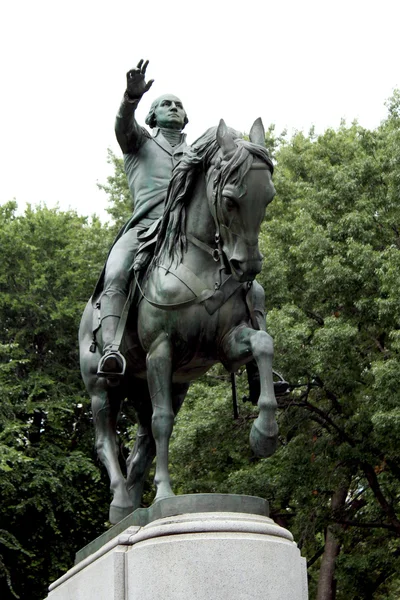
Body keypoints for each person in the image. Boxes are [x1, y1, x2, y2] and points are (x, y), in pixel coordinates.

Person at [97, 59, 189, 377]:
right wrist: (130, 98)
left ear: (185, 117)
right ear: (153, 116)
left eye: (178, 105)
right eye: (166, 104)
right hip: (146, 228)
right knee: (116, 273)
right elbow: (123, 125)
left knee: (243, 272)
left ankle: (256, 362)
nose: (173, 108)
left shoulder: (198, 154)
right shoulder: (139, 143)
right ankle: (110, 349)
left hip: (190, 232)